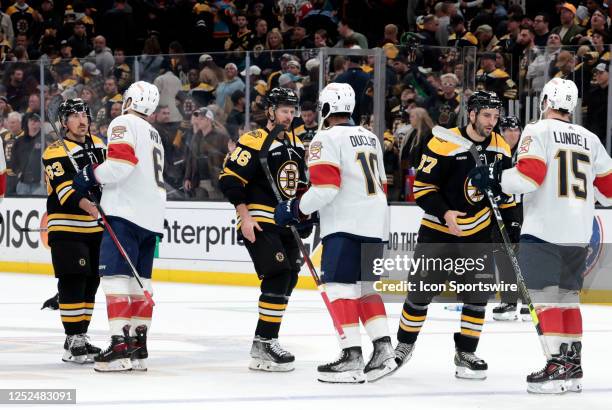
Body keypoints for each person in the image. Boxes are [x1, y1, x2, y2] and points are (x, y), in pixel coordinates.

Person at [468, 78, 612, 394]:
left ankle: (556, 365)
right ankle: (572, 367)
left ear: (545, 100)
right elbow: (609, 191)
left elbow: (529, 178)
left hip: (546, 228)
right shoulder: (590, 138)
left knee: (545, 297)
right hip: (579, 232)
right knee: (568, 297)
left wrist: (495, 179)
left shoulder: (538, 130)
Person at [274, 83, 396, 383]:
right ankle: (383, 350)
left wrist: (296, 208)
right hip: (376, 222)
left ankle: (351, 356)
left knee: (340, 288)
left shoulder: (324, 138)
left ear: (325, 108)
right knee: (366, 288)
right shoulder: (370, 136)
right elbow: (381, 182)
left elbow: (326, 187)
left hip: (345, 225)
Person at [393, 91, 520, 380]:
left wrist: (512, 227)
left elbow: (507, 192)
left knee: (477, 297)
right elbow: (423, 188)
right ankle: (403, 345)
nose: (492, 122)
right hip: (439, 232)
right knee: (419, 293)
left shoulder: (501, 147)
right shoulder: (444, 140)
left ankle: (466, 351)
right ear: (472, 115)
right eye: (486, 115)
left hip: (478, 234)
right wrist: (446, 213)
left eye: (496, 116)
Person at [72, 81, 165, 373]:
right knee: (141, 282)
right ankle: (138, 346)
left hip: (125, 214)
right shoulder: (156, 134)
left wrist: (90, 174)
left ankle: (119, 344)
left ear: (130, 100)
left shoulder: (123, 122)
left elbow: (120, 165)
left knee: (114, 278)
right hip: (151, 218)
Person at [218, 88, 306, 372]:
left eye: (292, 111)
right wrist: (243, 216)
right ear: (270, 111)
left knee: (290, 277)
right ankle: (264, 342)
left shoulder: (297, 144)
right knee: (278, 274)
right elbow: (229, 179)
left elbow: (299, 186)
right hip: (259, 219)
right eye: (283, 110)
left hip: (286, 223)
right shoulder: (254, 140)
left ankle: (267, 340)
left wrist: (304, 215)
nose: (289, 116)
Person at [41, 99, 106, 364]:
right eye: (75, 115)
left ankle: (81, 336)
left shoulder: (100, 146)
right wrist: (90, 206)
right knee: (73, 279)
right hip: (66, 224)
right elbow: (64, 189)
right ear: (64, 122)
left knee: (92, 280)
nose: (82, 120)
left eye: (85, 114)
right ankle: (72, 338)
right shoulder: (54, 151)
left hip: (95, 226)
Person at [491, 116, 529, 321]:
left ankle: (526, 298)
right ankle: (508, 300)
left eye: (515, 130)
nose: (512, 134)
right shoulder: (496, 152)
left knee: (521, 254)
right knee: (501, 254)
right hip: (501, 208)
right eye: (507, 130)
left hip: (522, 208)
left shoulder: (527, 152)